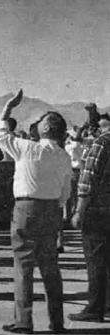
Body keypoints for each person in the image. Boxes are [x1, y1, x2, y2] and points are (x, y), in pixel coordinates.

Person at [0, 90, 71, 334]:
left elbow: (0, 133)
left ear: (46, 129)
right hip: (51, 209)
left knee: (23, 265)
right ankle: (56, 320)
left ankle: (24, 320)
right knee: (50, 267)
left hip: (27, 207)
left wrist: (7, 108)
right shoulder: (64, 156)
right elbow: (65, 192)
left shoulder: (28, 148)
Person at [69, 116, 110, 322]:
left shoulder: (102, 143)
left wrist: (78, 211)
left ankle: (95, 307)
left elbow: (88, 180)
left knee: (96, 260)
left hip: (99, 209)